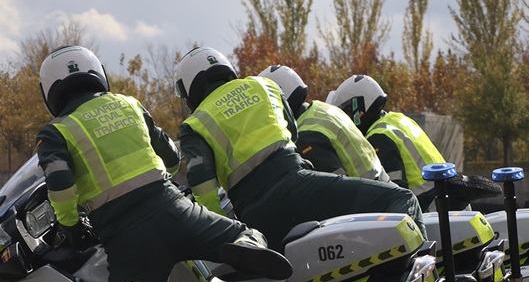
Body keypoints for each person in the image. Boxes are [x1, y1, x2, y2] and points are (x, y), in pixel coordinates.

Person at [34, 45, 290, 282]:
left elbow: (60, 183)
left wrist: (73, 228)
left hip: (125, 236)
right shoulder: (130, 105)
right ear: (99, 74)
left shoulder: (56, 132)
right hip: (173, 207)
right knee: (242, 235)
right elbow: (172, 158)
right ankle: (247, 248)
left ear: (49, 92)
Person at [174, 47, 424, 249]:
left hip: (254, 214)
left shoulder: (194, 125)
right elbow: (293, 133)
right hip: (301, 183)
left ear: (189, 90)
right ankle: (416, 278)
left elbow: (206, 195)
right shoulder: (265, 86)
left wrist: (238, 234)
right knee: (402, 198)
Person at [327, 75, 450, 210]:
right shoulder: (398, 120)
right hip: (443, 198)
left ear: (359, 106)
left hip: (428, 208)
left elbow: (393, 194)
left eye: (346, 113)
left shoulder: (378, 137)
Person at [257, 65, 390, 183]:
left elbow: (335, 192)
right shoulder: (324, 111)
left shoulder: (306, 134)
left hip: (373, 204)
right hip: (384, 194)